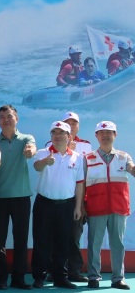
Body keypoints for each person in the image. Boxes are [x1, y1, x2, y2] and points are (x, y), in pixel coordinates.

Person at [31, 121, 85, 289]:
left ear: (69, 137)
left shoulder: (77, 157)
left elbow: (79, 183)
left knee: (63, 242)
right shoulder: (43, 153)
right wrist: (46, 162)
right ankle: (39, 277)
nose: (57, 136)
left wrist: (78, 207)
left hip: (67, 205)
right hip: (44, 204)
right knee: (41, 241)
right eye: (54, 133)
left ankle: (60, 277)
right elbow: (36, 166)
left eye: (61, 133)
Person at [0, 105, 37, 290]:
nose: (6, 120)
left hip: (21, 197)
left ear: (16, 118)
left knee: (21, 240)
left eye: (9, 116)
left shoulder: (26, 138)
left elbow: (31, 149)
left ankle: (19, 278)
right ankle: (1, 277)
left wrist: (30, 152)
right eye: (2, 117)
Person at [83, 121, 134, 289]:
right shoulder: (88, 158)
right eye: (101, 132)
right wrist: (81, 206)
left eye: (109, 132)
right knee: (94, 244)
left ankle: (118, 278)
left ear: (115, 135)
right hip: (96, 206)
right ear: (96, 136)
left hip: (118, 206)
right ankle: (93, 277)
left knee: (117, 243)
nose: (105, 135)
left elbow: (132, 168)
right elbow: (81, 184)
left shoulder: (123, 157)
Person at [61, 111, 94, 281]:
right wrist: (67, 149)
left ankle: (74, 271)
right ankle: (57, 270)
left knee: (74, 236)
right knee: (57, 235)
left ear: (78, 126)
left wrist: (82, 203)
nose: (71, 126)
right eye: (67, 123)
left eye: (74, 123)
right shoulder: (52, 143)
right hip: (59, 196)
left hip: (79, 197)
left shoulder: (86, 145)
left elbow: (86, 173)